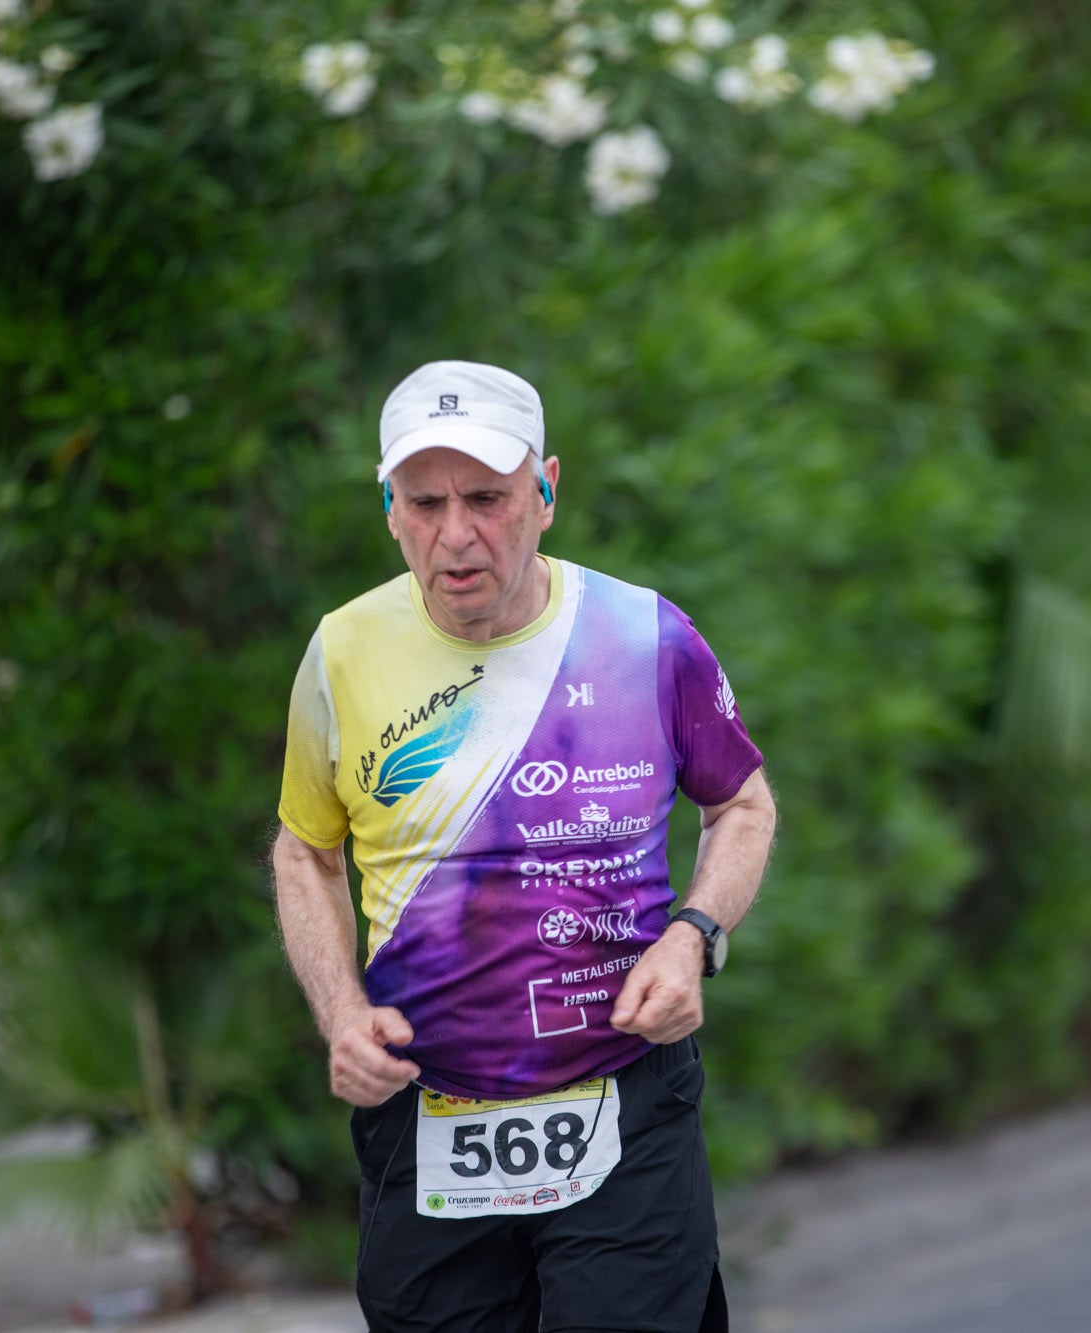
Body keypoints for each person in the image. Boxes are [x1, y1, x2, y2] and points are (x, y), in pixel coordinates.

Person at [271, 359, 777, 1333]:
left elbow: (741, 805)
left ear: (545, 491)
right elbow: (306, 852)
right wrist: (340, 1013)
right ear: (388, 508)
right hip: (424, 1112)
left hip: (623, 1101)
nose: (456, 534)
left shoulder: (646, 636)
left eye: (486, 498)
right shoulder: (340, 652)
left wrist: (693, 937)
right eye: (425, 502)